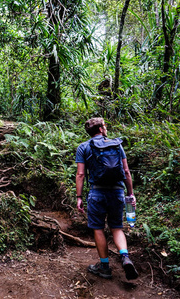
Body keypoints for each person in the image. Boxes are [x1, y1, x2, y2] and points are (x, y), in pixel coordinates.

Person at [75, 117, 138, 280]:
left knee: (98, 228)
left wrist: (79, 197)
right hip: (117, 192)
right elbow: (126, 172)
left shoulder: (83, 147)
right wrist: (130, 194)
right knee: (116, 227)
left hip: (97, 193)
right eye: (105, 126)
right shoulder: (116, 145)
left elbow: (81, 174)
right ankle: (125, 257)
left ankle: (104, 267)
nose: (106, 128)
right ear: (101, 129)